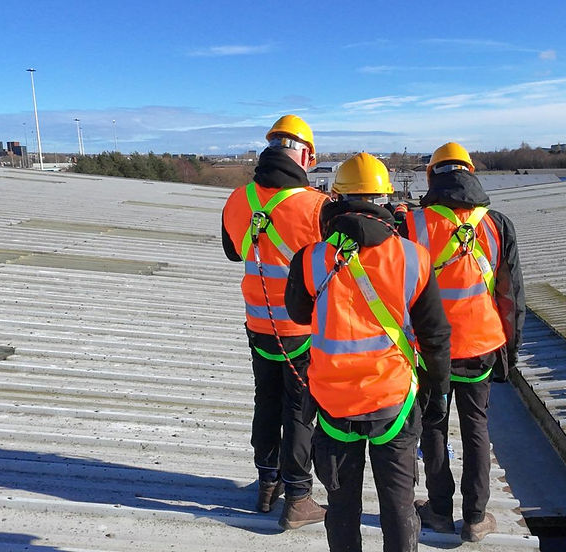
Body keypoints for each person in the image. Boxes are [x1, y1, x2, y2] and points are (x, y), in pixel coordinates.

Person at [285, 153, 451, 552]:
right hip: (392, 401)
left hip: (333, 403)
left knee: (342, 507)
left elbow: (298, 312)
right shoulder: (413, 257)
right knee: (398, 506)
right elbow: (435, 334)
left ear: (336, 198)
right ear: (386, 201)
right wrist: (436, 392)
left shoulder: (312, 258)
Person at [400, 142, 525, 542]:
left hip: (429, 350)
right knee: (476, 428)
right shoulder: (497, 224)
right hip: (482, 346)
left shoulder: (412, 225)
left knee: (433, 427)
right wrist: (511, 350)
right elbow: (511, 295)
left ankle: (438, 510)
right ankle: (475, 517)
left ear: (430, 176)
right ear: (471, 173)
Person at [221, 114, 328, 530]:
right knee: (300, 410)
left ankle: (268, 483)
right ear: (304, 154)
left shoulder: (236, 199)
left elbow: (234, 252)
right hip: (302, 331)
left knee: (265, 401)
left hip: (257, 324)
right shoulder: (317, 206)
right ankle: (298, 496)